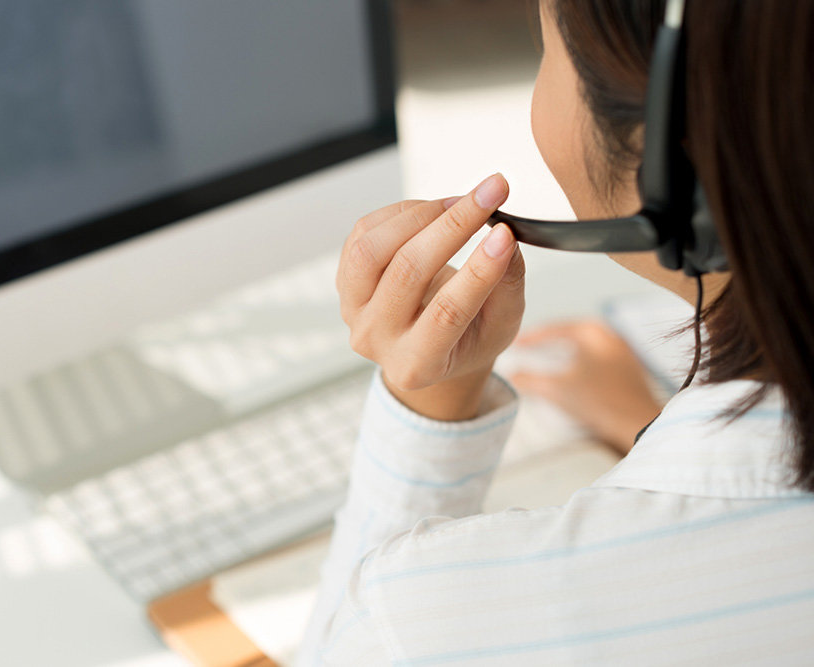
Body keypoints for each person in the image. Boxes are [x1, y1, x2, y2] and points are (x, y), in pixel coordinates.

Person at [297, 0, 814, 663]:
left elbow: (354, 644)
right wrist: (640, 419)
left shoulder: (437, 617)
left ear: (666, 161)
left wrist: (427, 402)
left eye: (547, 45)